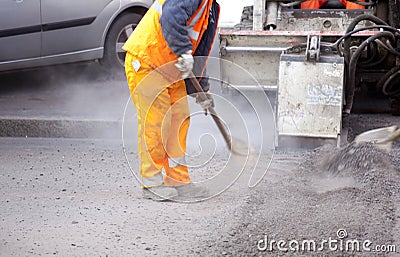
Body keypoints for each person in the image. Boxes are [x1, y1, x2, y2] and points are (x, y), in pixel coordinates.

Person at [123, 0, 220, 201]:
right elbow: (171, 17)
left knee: (180, 120)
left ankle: (178, 180)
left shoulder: (211, 7)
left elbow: (198, 48)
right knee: (157, 124)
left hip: (171, 67)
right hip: (148, 61)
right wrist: (184, 52)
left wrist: (201, 89)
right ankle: (151, 182)